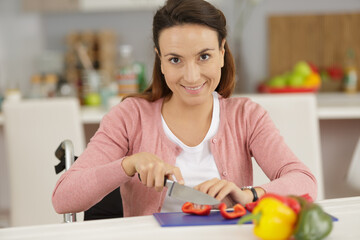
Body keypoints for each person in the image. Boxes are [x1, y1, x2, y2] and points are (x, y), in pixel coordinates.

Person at [52, 0, 317, 217]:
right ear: (160, 60)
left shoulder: (247, 116)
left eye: (204, 56)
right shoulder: (129, 117)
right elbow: (63, 198)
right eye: (175, 59)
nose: (191, 76)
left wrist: (249, 194)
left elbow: (305, 182)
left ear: (222, 52)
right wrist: (128, 164)